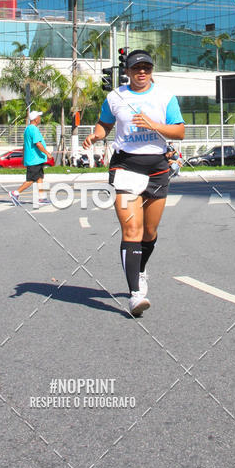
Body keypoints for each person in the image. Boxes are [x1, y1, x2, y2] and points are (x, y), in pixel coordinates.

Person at [83, 50, 184, 317]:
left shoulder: (165, 97)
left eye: (146, 68)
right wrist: (96, 135)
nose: (142, 72)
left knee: (149, 232)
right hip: (126, 164)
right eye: (136, 68)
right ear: (126, 71)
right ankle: (135, 294)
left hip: (157, 167)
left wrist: (153, 125)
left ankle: (139, 268)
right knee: (132, 230)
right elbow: (104, 124)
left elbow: (180, 131)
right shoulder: (115, 97)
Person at [10, 111, 52, 206]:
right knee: (30, 180)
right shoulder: (34, 129)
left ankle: (42, 198)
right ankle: (15, 193)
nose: (40, 119)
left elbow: (24, 145)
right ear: (36, 119)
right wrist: (47, 153)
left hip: (34, 159)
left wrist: (24, 157)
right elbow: (38, 144)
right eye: (39, 117)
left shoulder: (27, 129)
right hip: (35, 159)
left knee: (39, 178)